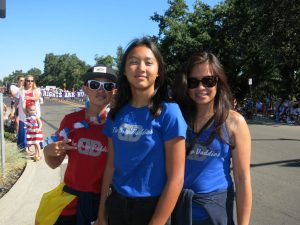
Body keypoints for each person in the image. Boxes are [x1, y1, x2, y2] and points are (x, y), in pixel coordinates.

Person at [96, 37, 187, 225]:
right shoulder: (116, 114)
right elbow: (110, 167)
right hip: (117, 205)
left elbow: (176, 179)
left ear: (158, 71)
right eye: (133, 62)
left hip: (153, 208)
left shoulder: (169, 112)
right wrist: (101, 214)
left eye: (148, 62)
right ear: (124, 70)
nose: (141, 68)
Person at [172, 51, 252, 225]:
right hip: (178, 209)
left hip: (215, 212)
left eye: (208, 81)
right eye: (194, 82)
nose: (201, 88)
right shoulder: (177, 119)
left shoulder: (234, 122)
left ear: (218, 83)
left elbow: (242, 179)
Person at [36, 65, 117, 225]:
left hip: (102, 202)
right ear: (85, 89)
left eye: (107, 86)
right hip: (71, 201)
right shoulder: (71, 121)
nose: (101, 90)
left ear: (113, 91)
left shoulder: (117, 125)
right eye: (94, 85)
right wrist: (48, 151)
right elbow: (54, 164)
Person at [11, 75, 42, 150]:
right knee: (25, 133)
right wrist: (12, 113)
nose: (30, 82)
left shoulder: (36, 90)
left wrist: (29, 98)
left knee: (34, 134)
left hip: (34, 116)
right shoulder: (21, 91)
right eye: (28, 81)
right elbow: (16, 104)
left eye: (32, 81)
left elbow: (37, 97)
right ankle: (25, 148)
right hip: (23, 116)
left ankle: (36, 152)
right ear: (25, 81)